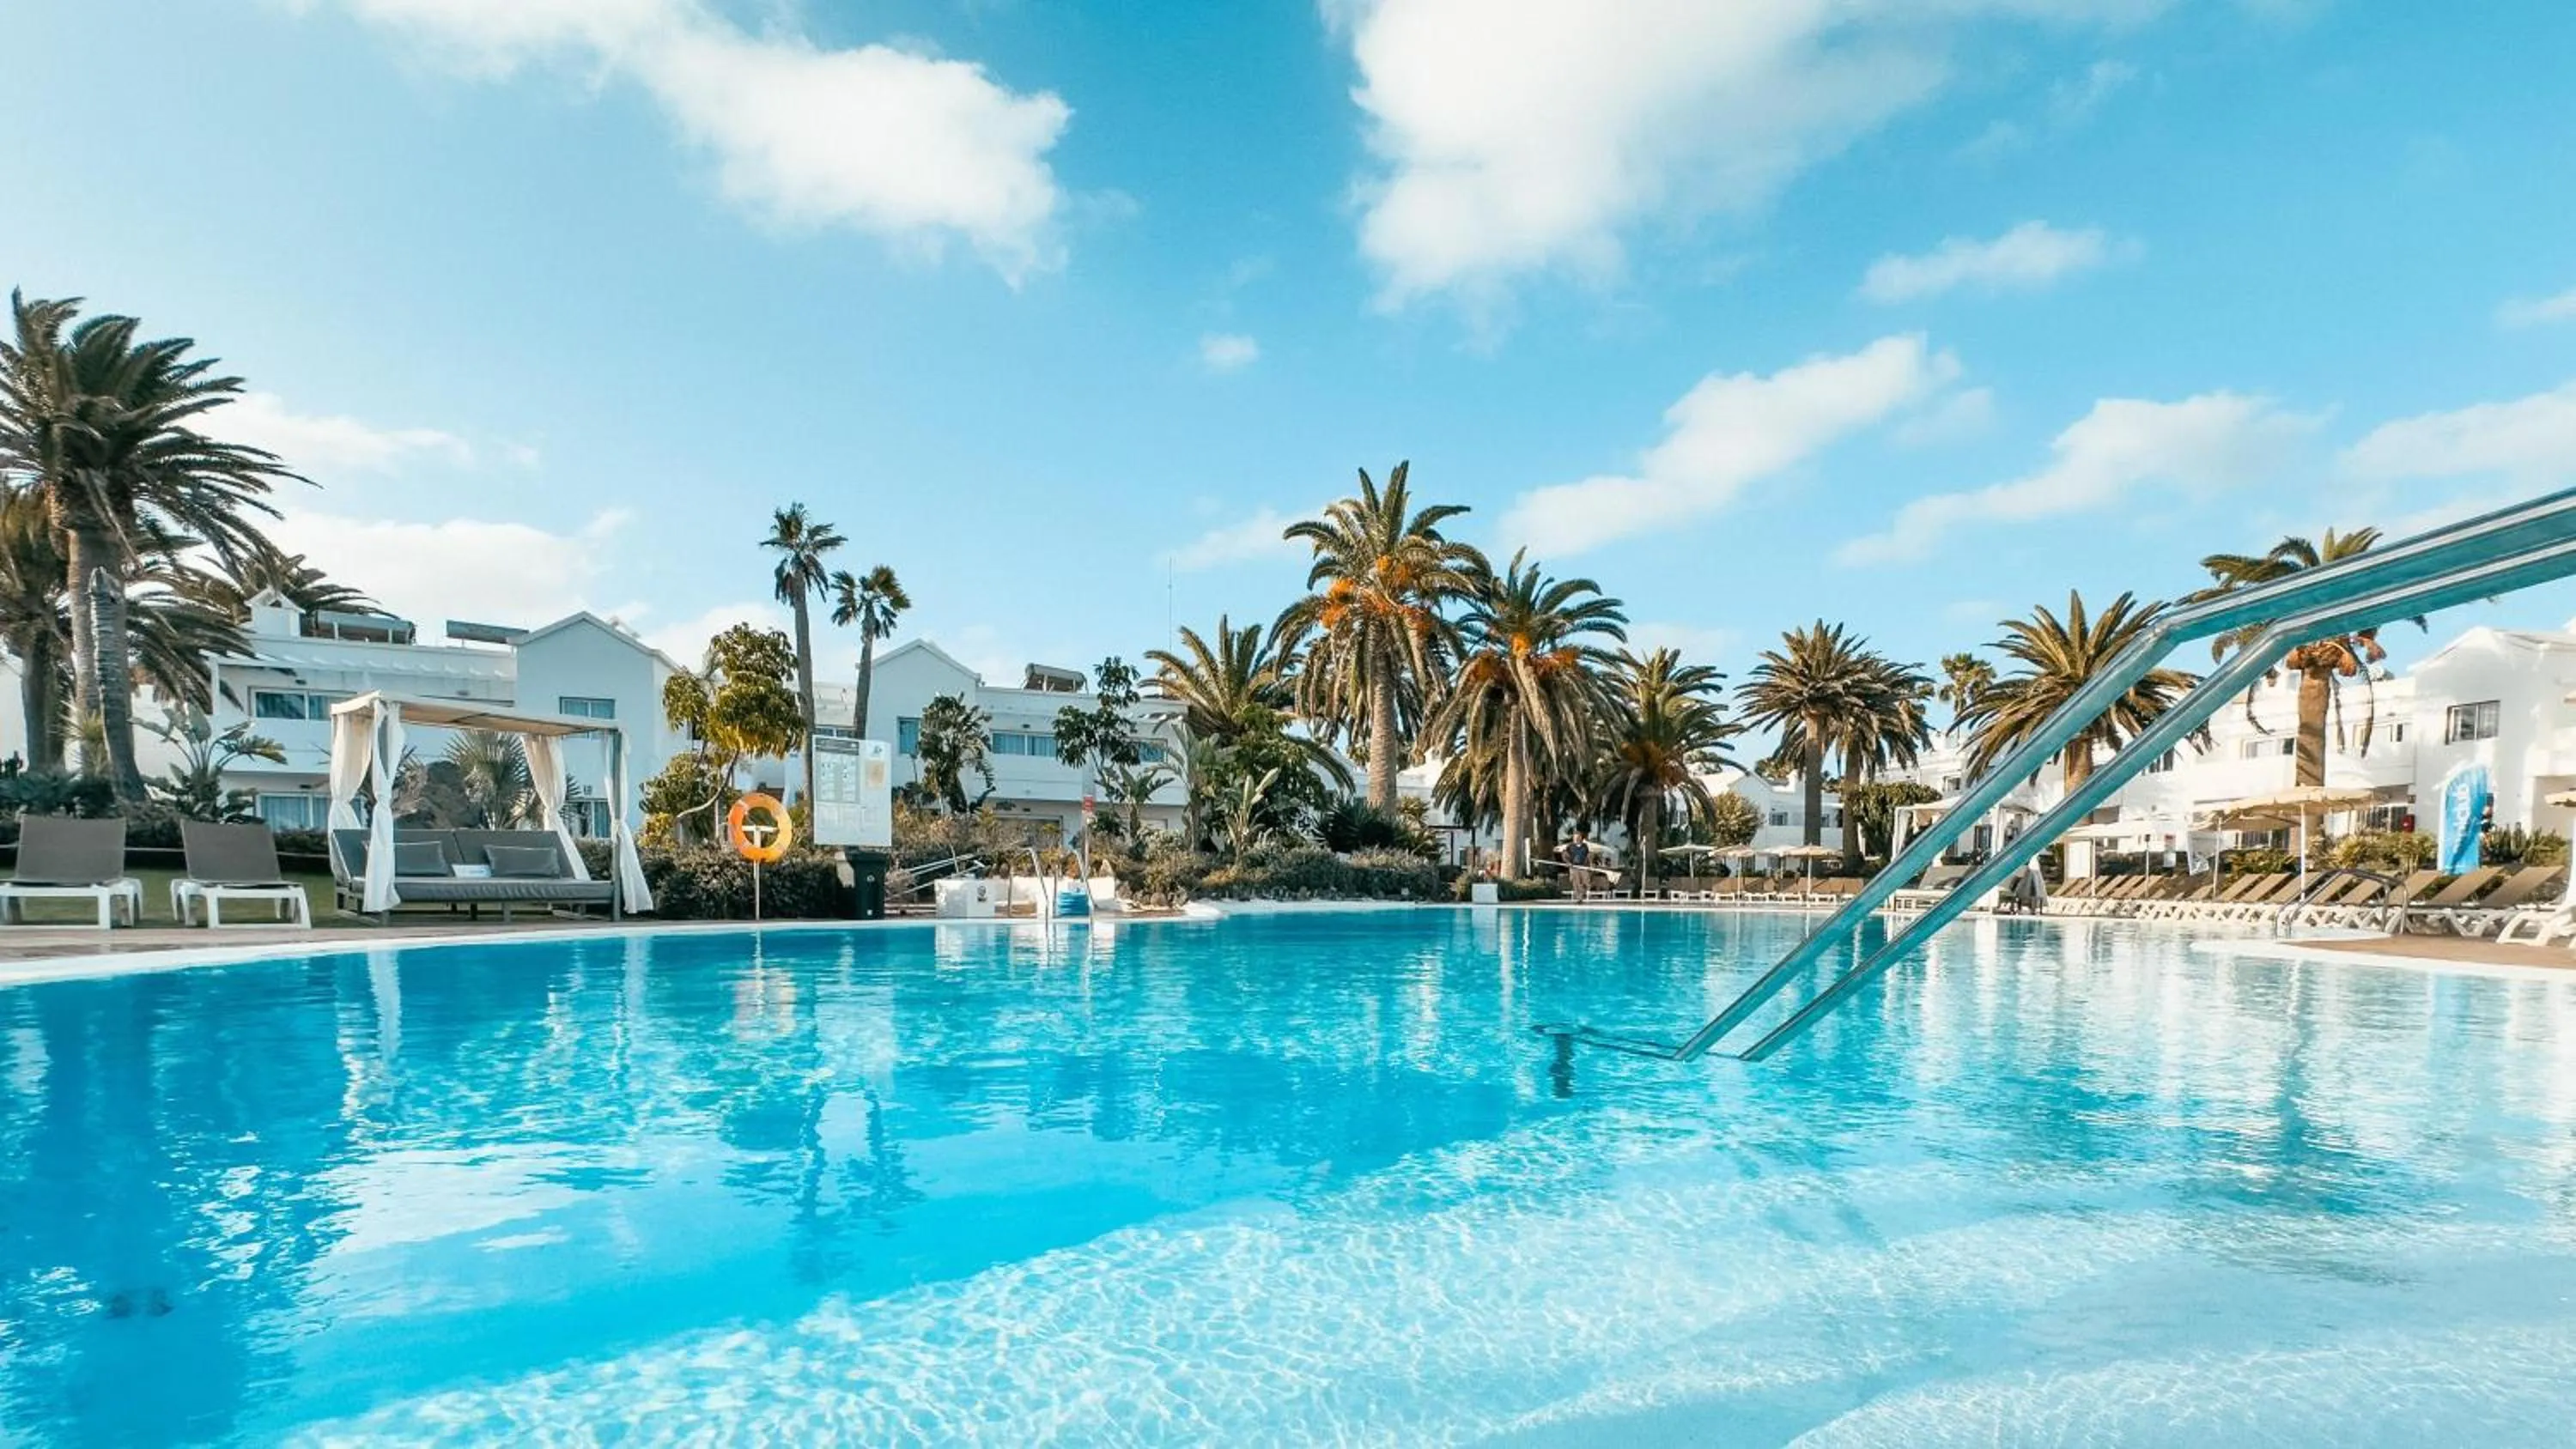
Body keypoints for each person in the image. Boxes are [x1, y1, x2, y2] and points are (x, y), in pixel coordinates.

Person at [1561, 829, 1593, 902]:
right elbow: (1564, 855)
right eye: (1575, 838)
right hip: (1574, 867)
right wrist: (1568, 862)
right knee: (1576, 882)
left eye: (1578, 837)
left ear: (1581, 838)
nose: (1576, 839)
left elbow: (1588, 856)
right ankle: (1579, 898)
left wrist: (1590, 864)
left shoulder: (1585, 846)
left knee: (1586, 881)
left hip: (1583, 866)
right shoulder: (1570, 846)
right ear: (1573, 838)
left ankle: (1583, 893)